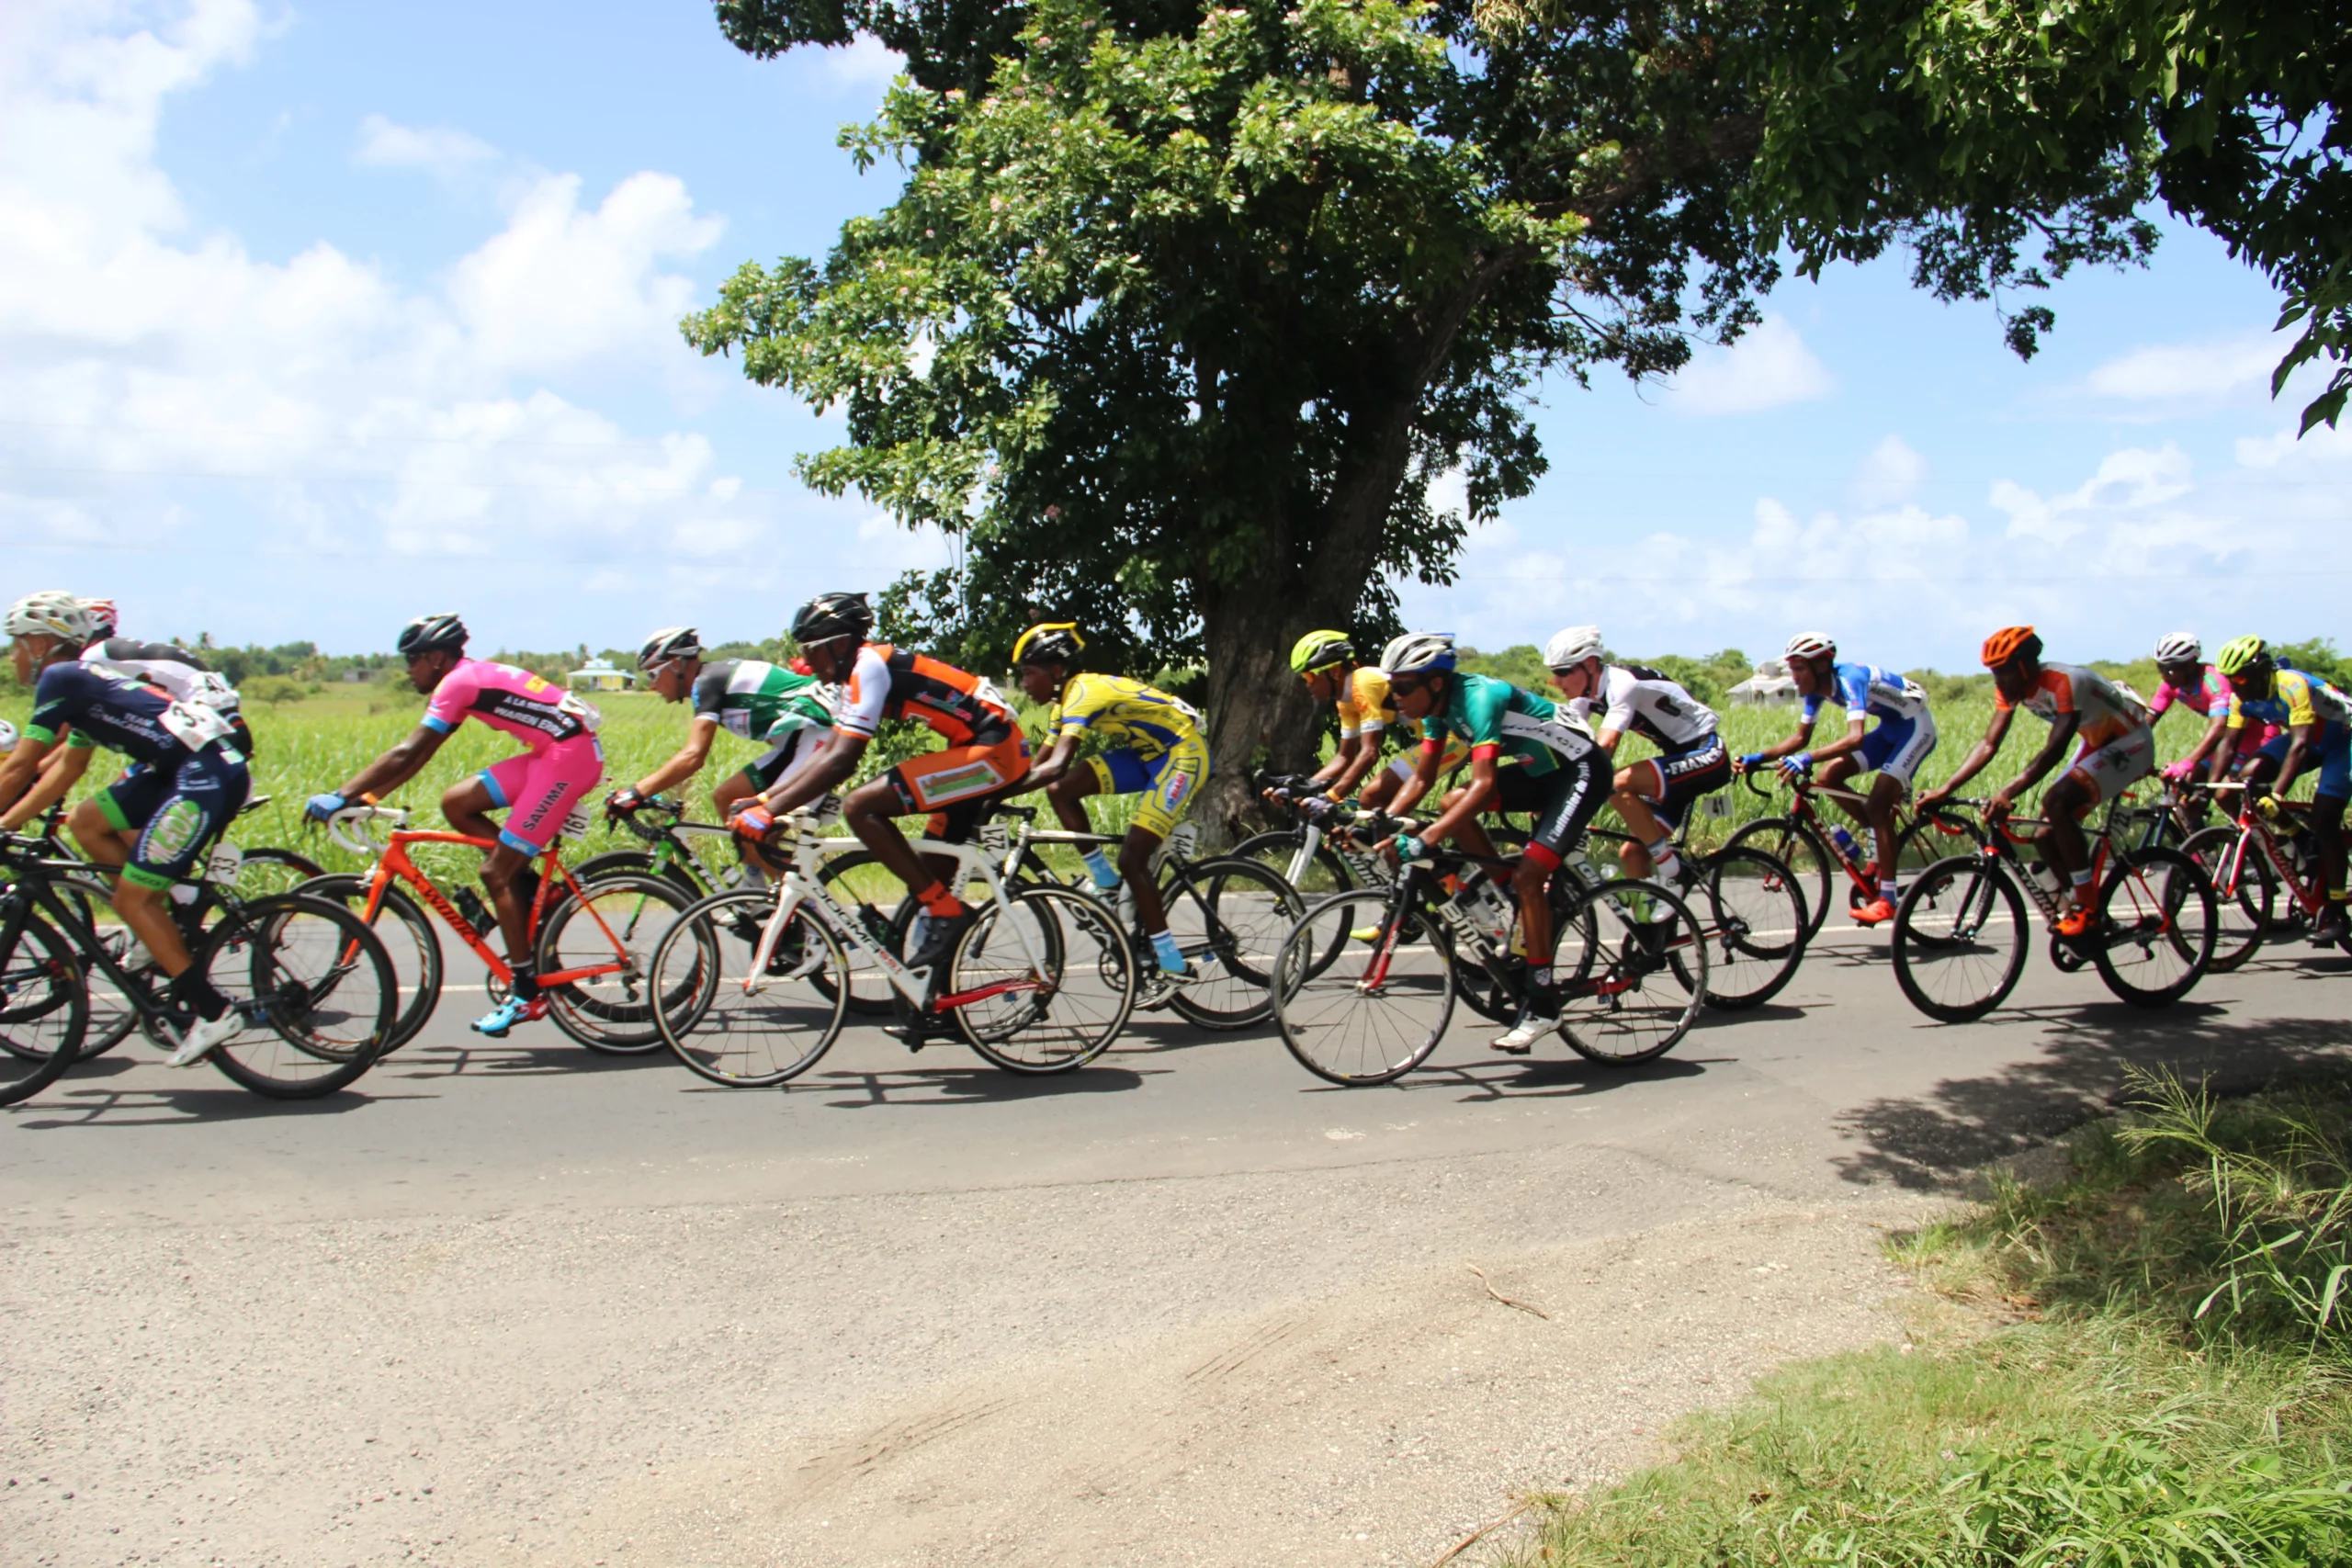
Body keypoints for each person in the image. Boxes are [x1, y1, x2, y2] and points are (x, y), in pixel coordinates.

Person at [305, 615, 606, 1036]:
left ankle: (525, 993)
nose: (408, 671)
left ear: (436, 657)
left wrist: (341, 795)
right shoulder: (465, 678)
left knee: (493, 872)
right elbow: (421, 755)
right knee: (457, 803)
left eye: (412, 661)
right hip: (553, 752)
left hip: (566, 761)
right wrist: (368, 798)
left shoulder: (457, 684)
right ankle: (523, 886)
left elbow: (408, 750)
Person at [732, 593, 1031, 1010]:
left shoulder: (868, 666)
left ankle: (947, 912)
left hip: (994, 752)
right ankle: (938, 1002)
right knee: (930, 878)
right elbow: (828, 750)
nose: (807, 662)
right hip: (978, 747)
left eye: (811, 651)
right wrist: (766, 798)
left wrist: (768, 811)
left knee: (861, 807)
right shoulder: (854, 675)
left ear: (839, 644)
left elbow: (843, 759)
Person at [0, 592, 253, 1066]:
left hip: (205, 773)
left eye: (14, 644)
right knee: (86, 821)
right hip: (184, 767)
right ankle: (157, 915)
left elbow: (20, 767)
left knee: (130, 900)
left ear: (39, 643)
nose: (11, 655)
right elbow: (65, 770)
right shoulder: (82, 685)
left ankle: (214, 1011)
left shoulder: (59, 678)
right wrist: (8, 822)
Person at [1380, 631, 1612, 1054]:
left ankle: (1543, 1004)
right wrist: (1383, 821)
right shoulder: (1436, 710)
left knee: (1529, 874)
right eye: (1391, 687)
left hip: (1581, 771)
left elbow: (1485, 787)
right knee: (1453, 800)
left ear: (1434, 682)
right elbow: (1422, 778)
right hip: (1542, 774)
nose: (1394, 696)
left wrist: (1427, 837)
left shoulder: (1479, 698)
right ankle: (1511, 899)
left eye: (1402, 687)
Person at [1917, 626, 2154, 938]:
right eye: (1993, 674)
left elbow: (2054, 750)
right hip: (2098, 742)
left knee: (2056, 802)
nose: (1998, 682)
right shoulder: (2012, 688)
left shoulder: (2066, 682)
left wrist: (2008, 792)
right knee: (2043, 834)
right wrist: (1945, 789)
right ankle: (2080, 909)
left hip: (2130, 744)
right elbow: (1990, 743)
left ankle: (2088, 906)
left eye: (2002, 673)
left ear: (2024, 667)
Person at [1011, 622, 1208, 987]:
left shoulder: (1084, 692)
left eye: (1027, 674)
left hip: (1181, 754)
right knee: (1060, 791)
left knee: (1132, 859)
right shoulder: (1062, 705)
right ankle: (1106, 883)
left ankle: (1170, 963)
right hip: (1146, 755)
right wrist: (989, 791)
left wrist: (992, 795)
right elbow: (1038, 768)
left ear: (1056, 670)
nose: (1023, 684)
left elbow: (1057, 764)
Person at [1738, 632, 1937, 924]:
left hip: (1915, 729)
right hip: (1889, 729)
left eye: (1799, 669)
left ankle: (1888, 899)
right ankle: (1878, 842)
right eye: (1792, 669)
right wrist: (1758, 757)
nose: (1794, 677)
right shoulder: (1816, 689)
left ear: (1820, 666)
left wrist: (1805, 758)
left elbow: (1855, 738)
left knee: (1878, 805)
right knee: (1828, 776)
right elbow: (1800, 737)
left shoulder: (1849, 678)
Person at [606, 626, 834, 878]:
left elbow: (693, 757)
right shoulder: (711, 682)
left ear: (675, 665)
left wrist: (635, 793)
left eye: (652, 674)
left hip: (818, 735)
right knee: (726, 799)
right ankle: (756, 891)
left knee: (756, 825)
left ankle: (802, 904)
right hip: (798, 742)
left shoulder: (707, 683)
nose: (652, 685)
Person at [1541, 626, 1729, 887]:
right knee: (1632, 853)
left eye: (1563, 672)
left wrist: (1570, 799)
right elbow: (1567, 744)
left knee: (1616, 783)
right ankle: (1648, 925)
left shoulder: (1622, 684)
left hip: (1706, 752)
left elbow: (1605, 747)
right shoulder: (1585, 696)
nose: (1557, 682)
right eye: (1554, 674)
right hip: (1677, 758)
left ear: (1590, 664)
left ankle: (1674, 872)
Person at [2210, 636, 2351, 944]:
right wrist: (2213, 786)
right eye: (2231, 680)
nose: (2237, 686)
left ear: (2262, 671)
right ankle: (2298, 837)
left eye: (2242, 678)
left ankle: (2337, 911)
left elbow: (2299, 746)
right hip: (2314, 739)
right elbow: (2229, 745)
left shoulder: (2292, 685)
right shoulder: (2239, 697)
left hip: (2343, 740)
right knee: (2248, 778)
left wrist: (2278, 795)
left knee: (2325, 819)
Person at [2149, 631, 2263, 789]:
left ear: (2189, 666)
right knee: (2186, 790)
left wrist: (2186, 764)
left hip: (2256, 737)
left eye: (2169, 670)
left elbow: (2219, 728)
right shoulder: (2171, 685)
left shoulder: (2214, 684)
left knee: (2224, 794)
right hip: (2228, 741)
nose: (2164, 676)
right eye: (2160, 668)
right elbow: (2146, 721)